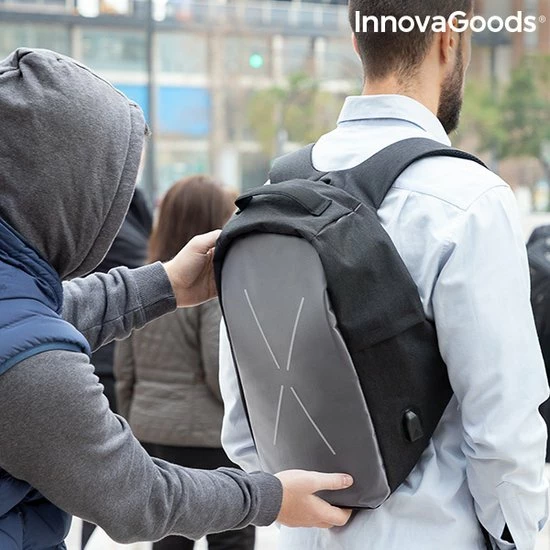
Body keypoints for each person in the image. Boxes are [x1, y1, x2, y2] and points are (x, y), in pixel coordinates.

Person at [219, 2, 549, 549]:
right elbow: (503, 432)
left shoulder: (272, 196)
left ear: (357, 41)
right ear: (449, 38)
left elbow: (243, 421)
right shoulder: (468, 199)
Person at [0, 48, 354, 550]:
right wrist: (270, 497)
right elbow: (138, 499)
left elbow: (40, 320)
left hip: (154, 426)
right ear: (67, 191)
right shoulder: (32, 366)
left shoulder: (18, 315)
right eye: (111, 190)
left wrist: (166, 283)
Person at [115, 176, 255, 550]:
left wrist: (136, 419)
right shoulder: (209, 287)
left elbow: (124, 370)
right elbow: (218, 371)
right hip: (207, 435)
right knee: (232, 533)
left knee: (169, 534)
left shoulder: (143, 284)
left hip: (151, 429)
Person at [81, 187, 153, 549]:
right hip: (102, 363)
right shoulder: (108, 217)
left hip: (108, 359)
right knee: (102, 485)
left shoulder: (124, 201)